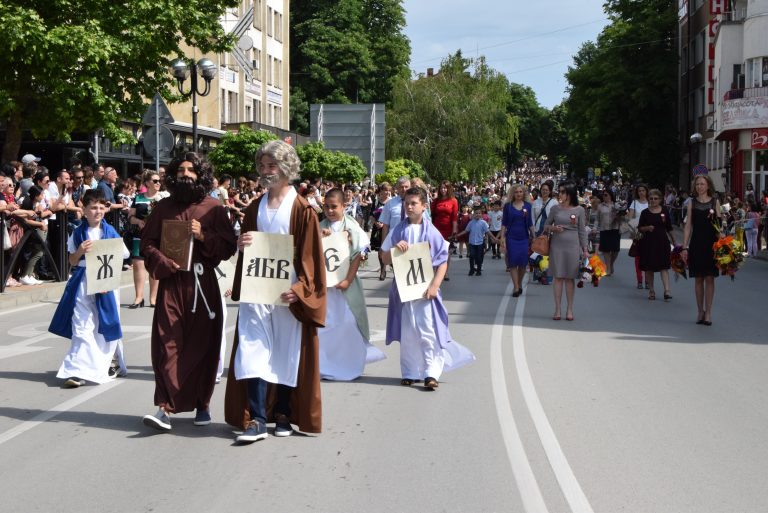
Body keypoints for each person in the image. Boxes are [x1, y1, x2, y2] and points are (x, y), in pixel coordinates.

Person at [224, 140, 326, 444]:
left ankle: (282, 412)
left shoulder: (302, 209)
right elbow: (249, 244)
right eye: (263, 166)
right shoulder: (255, 206)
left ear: (286, 168)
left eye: (272, 166)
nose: (266, 171)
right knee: (252, 351)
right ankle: (255, 418)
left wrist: (302, 288)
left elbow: (311, 255)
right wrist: (241, 243)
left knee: (285, 352)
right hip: (258, 290)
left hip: (286, 293)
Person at [140, 152, 237, 432]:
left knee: (203, 346)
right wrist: (162, 261)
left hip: (202, 285)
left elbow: (228, 246)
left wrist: (204, 235)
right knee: (167, 343)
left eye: (191, 170)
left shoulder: (214, 208)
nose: (185, 174)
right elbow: (147, 244)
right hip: (172, 285)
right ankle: (164, 408)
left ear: (201, 174)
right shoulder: (163, 208)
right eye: (180, 170)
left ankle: (202, 404)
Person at [380, 187, 475, 390]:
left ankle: (431, 372)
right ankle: (409, 371)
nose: (409, 207)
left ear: (424, 206)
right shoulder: (398, 230)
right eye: (407, 203)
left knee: (426, 330)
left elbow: (442, 261)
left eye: (414, 203)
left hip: (424, 290)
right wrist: (394, 250)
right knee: (408, 330)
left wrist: (435, 286)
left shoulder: (431, 231)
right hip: (404, 290)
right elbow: (384, 257)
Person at [48, 189, 129, 387]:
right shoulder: (78, 232)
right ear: (84, 210)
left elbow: (125, 254)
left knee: (106, 323)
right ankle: (77, 370)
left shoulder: (110, 232)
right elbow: (72, 260)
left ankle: (111, 360)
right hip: (82, 281)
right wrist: (80, 251)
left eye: (101, 207)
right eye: (93, 207)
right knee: (82, 326)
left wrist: (107, 251)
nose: (98, 211)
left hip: (105, 282)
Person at [317, 188, 385, 381]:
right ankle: (325, 365)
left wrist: (348, 279)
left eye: (334, 207)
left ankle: (350, 364)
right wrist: (320, 237)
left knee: (348, 323)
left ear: (344, 206)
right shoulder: (319, 225)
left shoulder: (352, 227)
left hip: (346, 284)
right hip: (326, 286)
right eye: (326, 207)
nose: (330, 211)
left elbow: (359, 255)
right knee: (325, 325)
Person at [544, 181, 588, 321]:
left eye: (563, 192)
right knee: (558, 277)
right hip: (557, 245)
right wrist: (553, 228)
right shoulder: (555, 209)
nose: (560, 194)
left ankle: (569, 309)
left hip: (573, 246)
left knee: (570, 278)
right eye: (559, 191)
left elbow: (582, 230)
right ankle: (557, 309)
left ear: (570, 193)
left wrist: (585, 249)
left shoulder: (579, 210)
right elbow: (546, 225)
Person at [682, 175, 722, 326]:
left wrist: (724, 243)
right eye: (697, 184)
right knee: (698, 278)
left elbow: (718, 226)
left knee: (710, 278)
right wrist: (685, 246)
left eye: (702, 184)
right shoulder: (691, 202)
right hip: (697, 244)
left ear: (708, 185)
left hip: (711, 244)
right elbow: (687, 226)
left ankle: (709, 312)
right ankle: (700, 311)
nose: (699, 186)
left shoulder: (715, 202)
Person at [127, 170, 169, 308]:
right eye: (155, 181)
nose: (158, 183)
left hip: (157, 236)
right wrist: (138, 222)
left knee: (153, 264)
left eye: (159, 181)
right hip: (140, 234)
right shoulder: (138, 197)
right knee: (138, 265)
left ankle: (153, 298)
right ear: (147, 183)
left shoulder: (164, 197)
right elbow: (130, 217)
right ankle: (138, 297)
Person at [637, 189, 676, 301]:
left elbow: (669, 227)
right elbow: (639, 228)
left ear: (660, 199)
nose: (653, 200)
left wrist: (674, 241)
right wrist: (647, 228)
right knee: (649, 268)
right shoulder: (645, 213)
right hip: (648, 243)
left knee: (664, 267)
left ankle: (667, 291)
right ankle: (651, 291)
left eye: (655, 198)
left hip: (662, 242)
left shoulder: (664, 211)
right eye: (651, 198)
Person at [500, 184, 534, 296]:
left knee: (523, 264)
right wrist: (502, 238)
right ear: (513, 194)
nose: (518, 194)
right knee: (513, 263)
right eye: (516, 192)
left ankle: (518, 283)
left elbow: (530, 223)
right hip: (511, 238)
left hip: (524, 237)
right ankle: (515, 287)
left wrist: (534, 236)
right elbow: (504, 223)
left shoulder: (528, 206)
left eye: (520, 192)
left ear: (523, 193)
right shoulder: (508, 206)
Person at [455, 205, 499, 277]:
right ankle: (471, 269)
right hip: (472, 243)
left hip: (480, 243)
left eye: (479, 213)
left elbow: (488, 232)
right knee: (471, 256)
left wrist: (494, 238)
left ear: (481, 214)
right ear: (473, 214)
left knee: (479, 257)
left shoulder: (483, 223)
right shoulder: (471, 222)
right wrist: (458, 235)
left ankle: (478, 270)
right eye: (476, 213)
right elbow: (466, 231)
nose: (478, 214)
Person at [430, 181, 459, 280]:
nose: (443, 190)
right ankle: (434, 271)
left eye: (445, 188)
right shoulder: (436, 201)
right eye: (442, 188)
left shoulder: (453, 201)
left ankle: (445, 272)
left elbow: (454, 217)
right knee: (435, 250)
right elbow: (431, 215)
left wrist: (454, 231)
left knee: (446, 251)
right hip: (436, 228)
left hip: (448, 228)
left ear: (449, 189)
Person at [378, 175, 411, 243]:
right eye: (401, 187)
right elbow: (385, 226)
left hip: (411, 241)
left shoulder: (417, 203)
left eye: (406, 187)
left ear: (410, 188)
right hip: (394, 241)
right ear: (397, 188)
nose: (404, 189)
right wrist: (383, 245)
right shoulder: (390, 204)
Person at [629, 183, 649, 289]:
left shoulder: (651, 202)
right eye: (639, 191)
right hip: (638, 233)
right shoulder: (634, 203)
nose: (641, 192)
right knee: (638, 257)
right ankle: (640, 280)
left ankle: (648, 280)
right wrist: (632, 229)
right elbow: (630, 218)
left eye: (643, 190)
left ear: (646, 191)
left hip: (649, 232)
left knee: (648, 256)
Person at [597, 189, 621, 276]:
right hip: (604, 229)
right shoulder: (600, 206)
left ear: (611, 195)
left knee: (615, 250)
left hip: (615, 228)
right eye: (603, 195)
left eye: (606, 195)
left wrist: (619, 215)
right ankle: (608, 267)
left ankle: (611, 263)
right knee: (606, 250)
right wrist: (595, 228)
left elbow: (622, 217)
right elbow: (597, 218)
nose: (604, 196)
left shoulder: (616, 205)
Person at [370, 183, 392, 280]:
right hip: (377, 228)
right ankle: (383, 269)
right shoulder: (375, 201)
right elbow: (371, 215)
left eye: (388, 190)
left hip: (388, 228)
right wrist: (375, 223)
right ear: (381, 191)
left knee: (389, 249)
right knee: (380, 249)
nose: (387, 192)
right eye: (385, 190)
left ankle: (391, 264)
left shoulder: (391, 202)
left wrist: (384, 223)